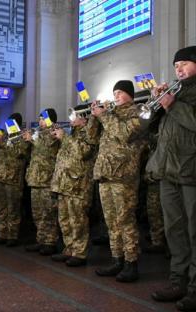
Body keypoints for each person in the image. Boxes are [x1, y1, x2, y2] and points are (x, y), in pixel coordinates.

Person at [144, 46, 196, 311]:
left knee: (194, 232)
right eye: (176, 65)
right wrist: (157, 105)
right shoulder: (173, 93)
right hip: (168, 171)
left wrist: (172, 105)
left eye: (184, 64)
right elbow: (148, 129)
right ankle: (177, 282)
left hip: (191, 172)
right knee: (174, 231)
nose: (179, 69)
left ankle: (195, 289)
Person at [92, 80, 144, 282]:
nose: (116, 97)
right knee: (111, 222)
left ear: (130, 94)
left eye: (120, 93)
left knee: (125, 220)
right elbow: (92, 137)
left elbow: (124, 134)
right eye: (114, 93)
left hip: (124, 176)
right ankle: (117, 259)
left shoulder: (138, 112)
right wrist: (94, 116)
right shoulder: (110, 115)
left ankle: (132, 263)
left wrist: (104, 115)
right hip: (106, 174)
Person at [50, 115, 99, 266]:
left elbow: (82, 152)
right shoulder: (72, 134)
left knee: (77, 220)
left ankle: (79, 253)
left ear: (84, 120)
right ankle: (69, 249)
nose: (71, 118)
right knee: (64, 220)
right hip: (64, 184)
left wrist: (65, 137)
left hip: (79, 185)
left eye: (75, 116)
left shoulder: (88, 133)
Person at [24, 108, 60, 255]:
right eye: (39, 119)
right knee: (37, 213)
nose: (39, 122)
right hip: (35, 179)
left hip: (47, 179)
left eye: (42, 119)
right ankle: (41, 240)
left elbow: (47, 151)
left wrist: (32, 139)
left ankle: (50, 242)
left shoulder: (54, 133)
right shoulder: (37, 134)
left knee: (48, 213)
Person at [0, 113, 30, 246]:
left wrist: (1, 142)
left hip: (13, 179)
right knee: (1, 208)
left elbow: (19, 152)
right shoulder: (5, 137)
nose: (8, 126)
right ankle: (2, 234)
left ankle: (12, 236)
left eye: (11, 123)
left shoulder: (22, 137)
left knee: (13, 208)